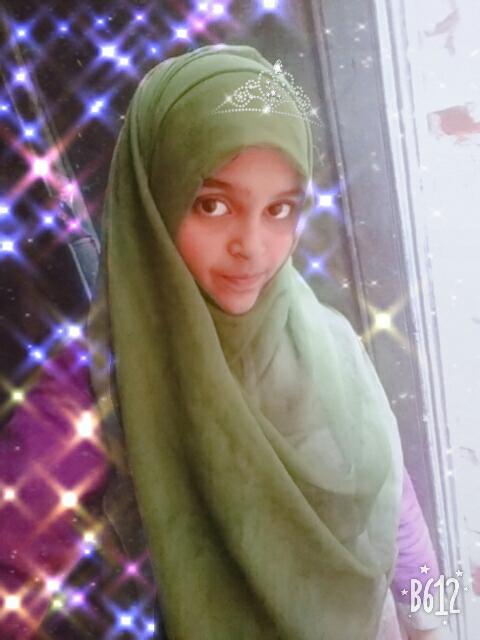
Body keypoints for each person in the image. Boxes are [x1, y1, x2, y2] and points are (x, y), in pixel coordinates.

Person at [0, 44, 446, 639]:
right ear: (153, 200)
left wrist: (438, 625)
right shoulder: (89, 392)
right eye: (213, 204)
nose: (253, 247)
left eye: (280, 208)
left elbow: (398, 513)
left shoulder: (327, 341)